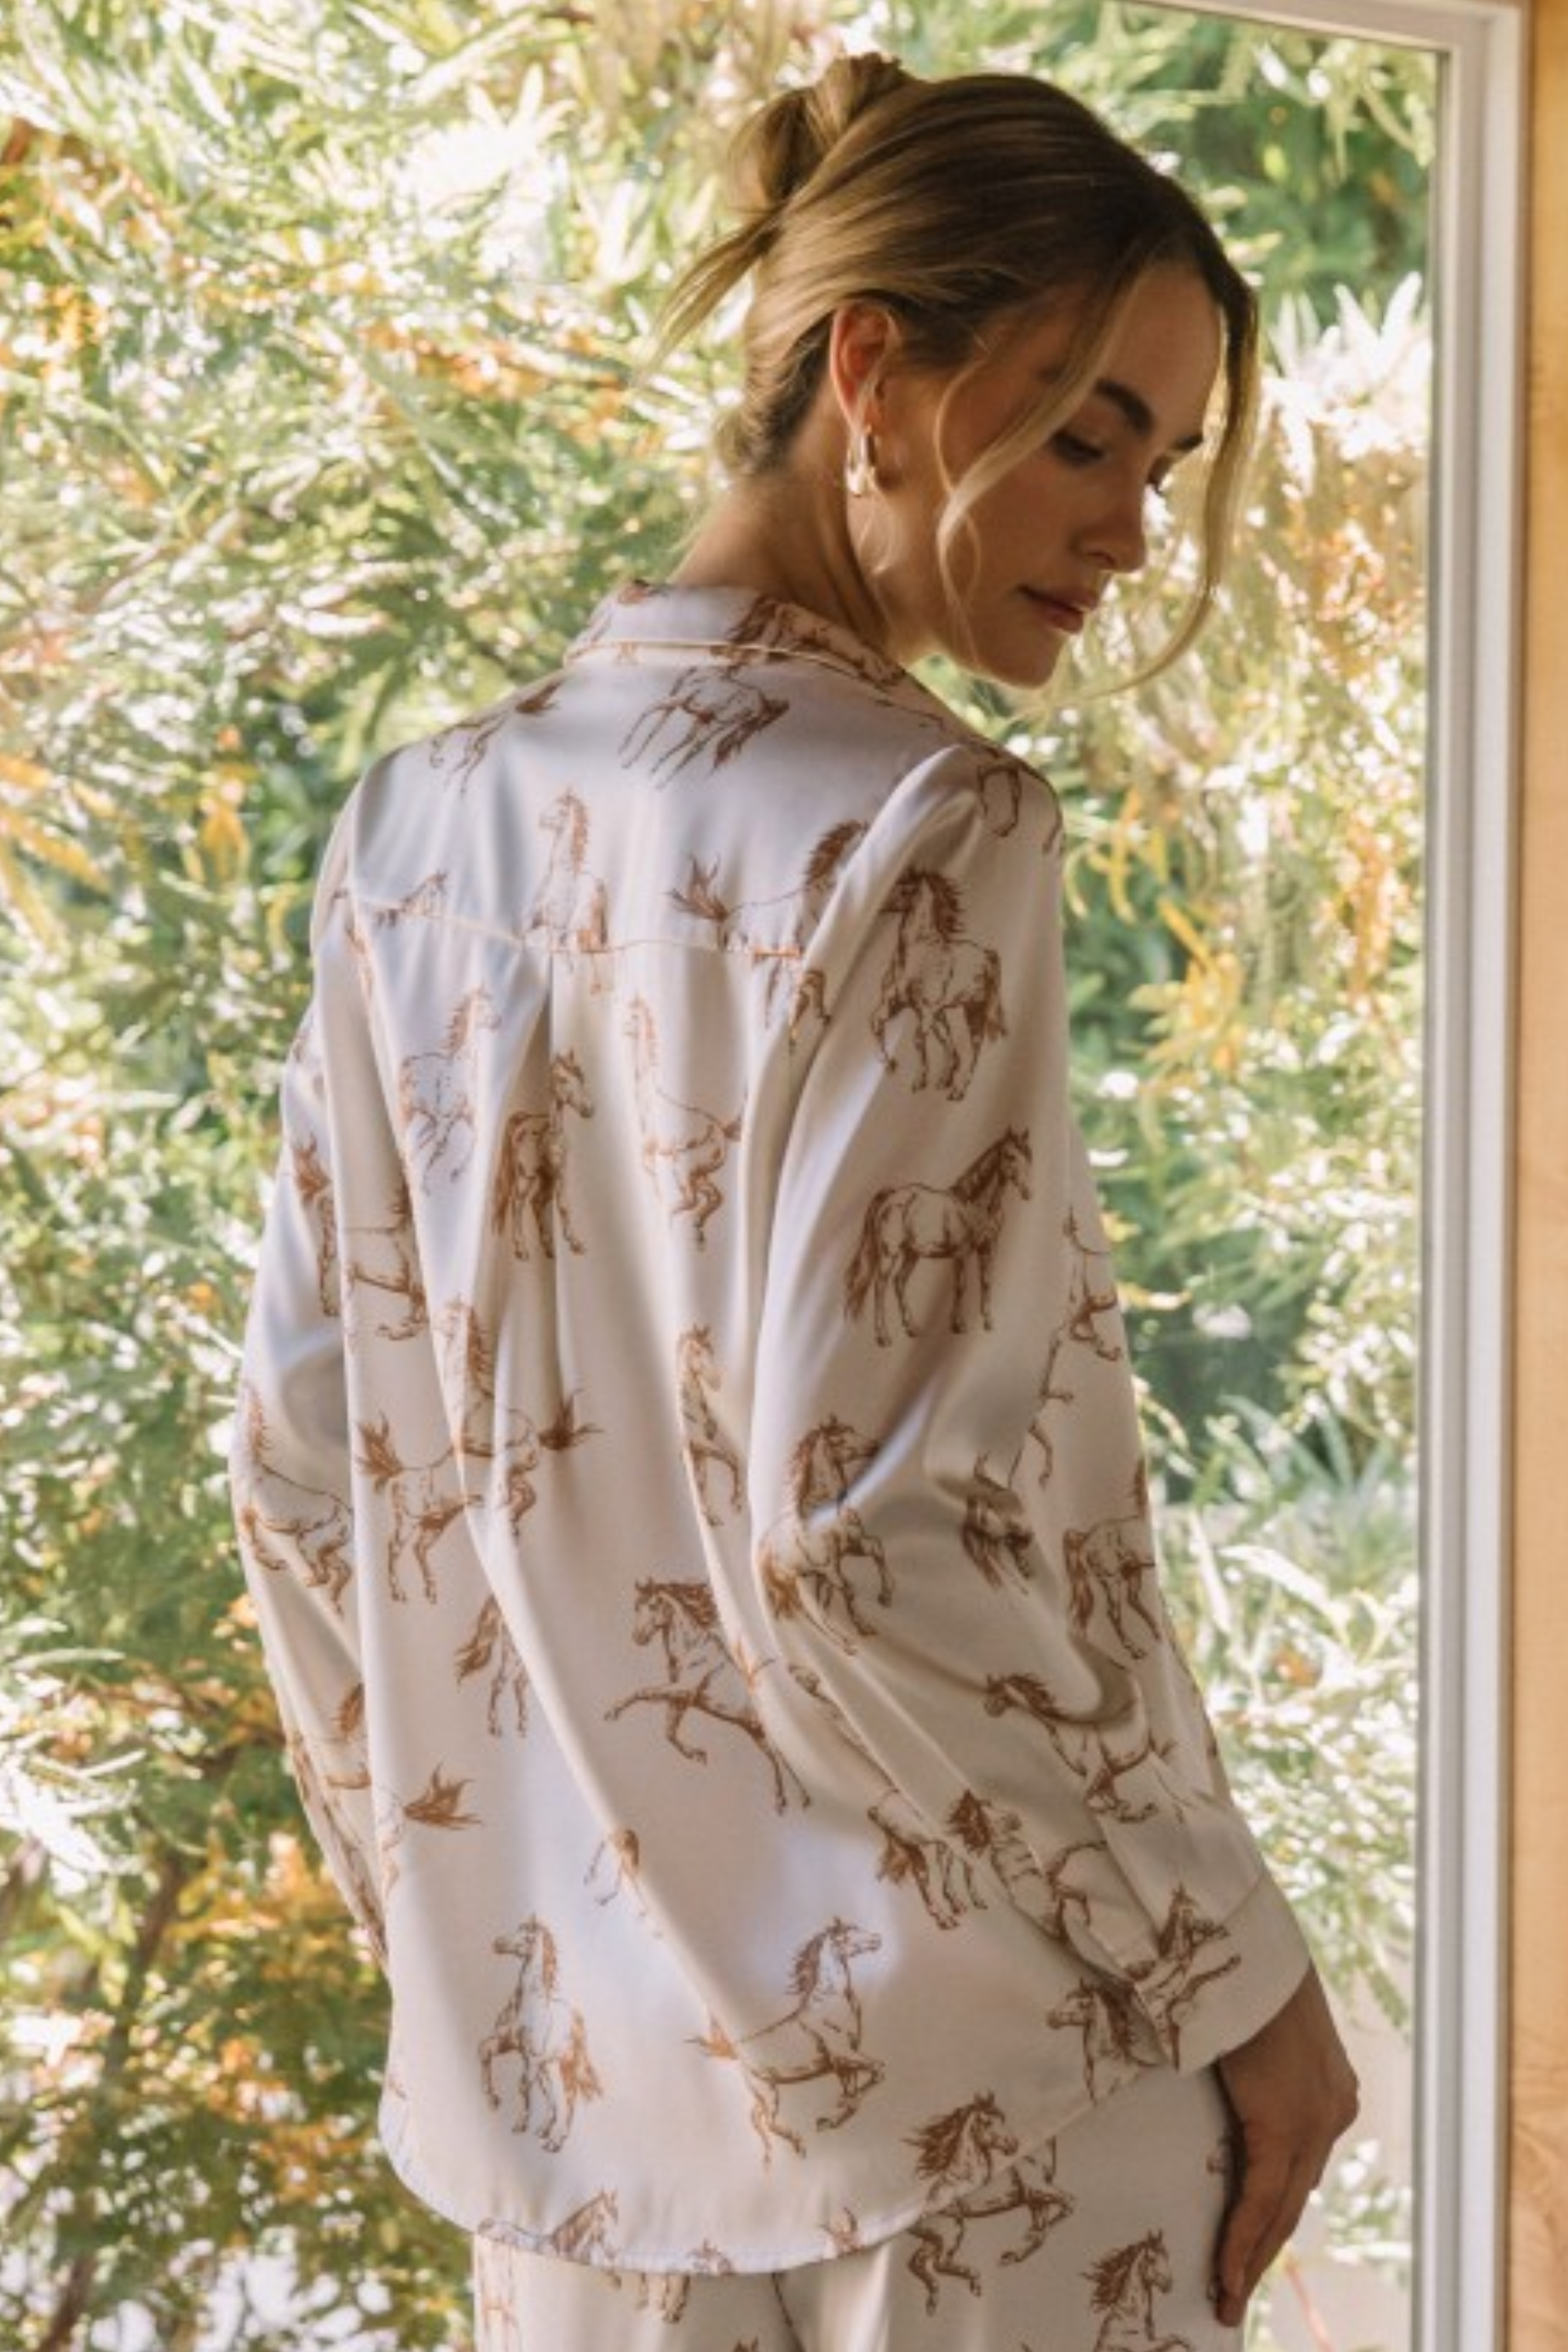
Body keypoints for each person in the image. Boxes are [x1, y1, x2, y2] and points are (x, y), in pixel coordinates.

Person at [230, 53, 1359, 2352]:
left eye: (1165, 454)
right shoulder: (926, 834)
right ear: (875, 370)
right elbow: (869, 1532)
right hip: (986, 2124)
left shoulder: (416, 830)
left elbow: (295, 1480)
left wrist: (500, 1928)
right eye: (1084, 432)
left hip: (568, 2139)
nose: (1133, 524)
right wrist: (1235, 1975)